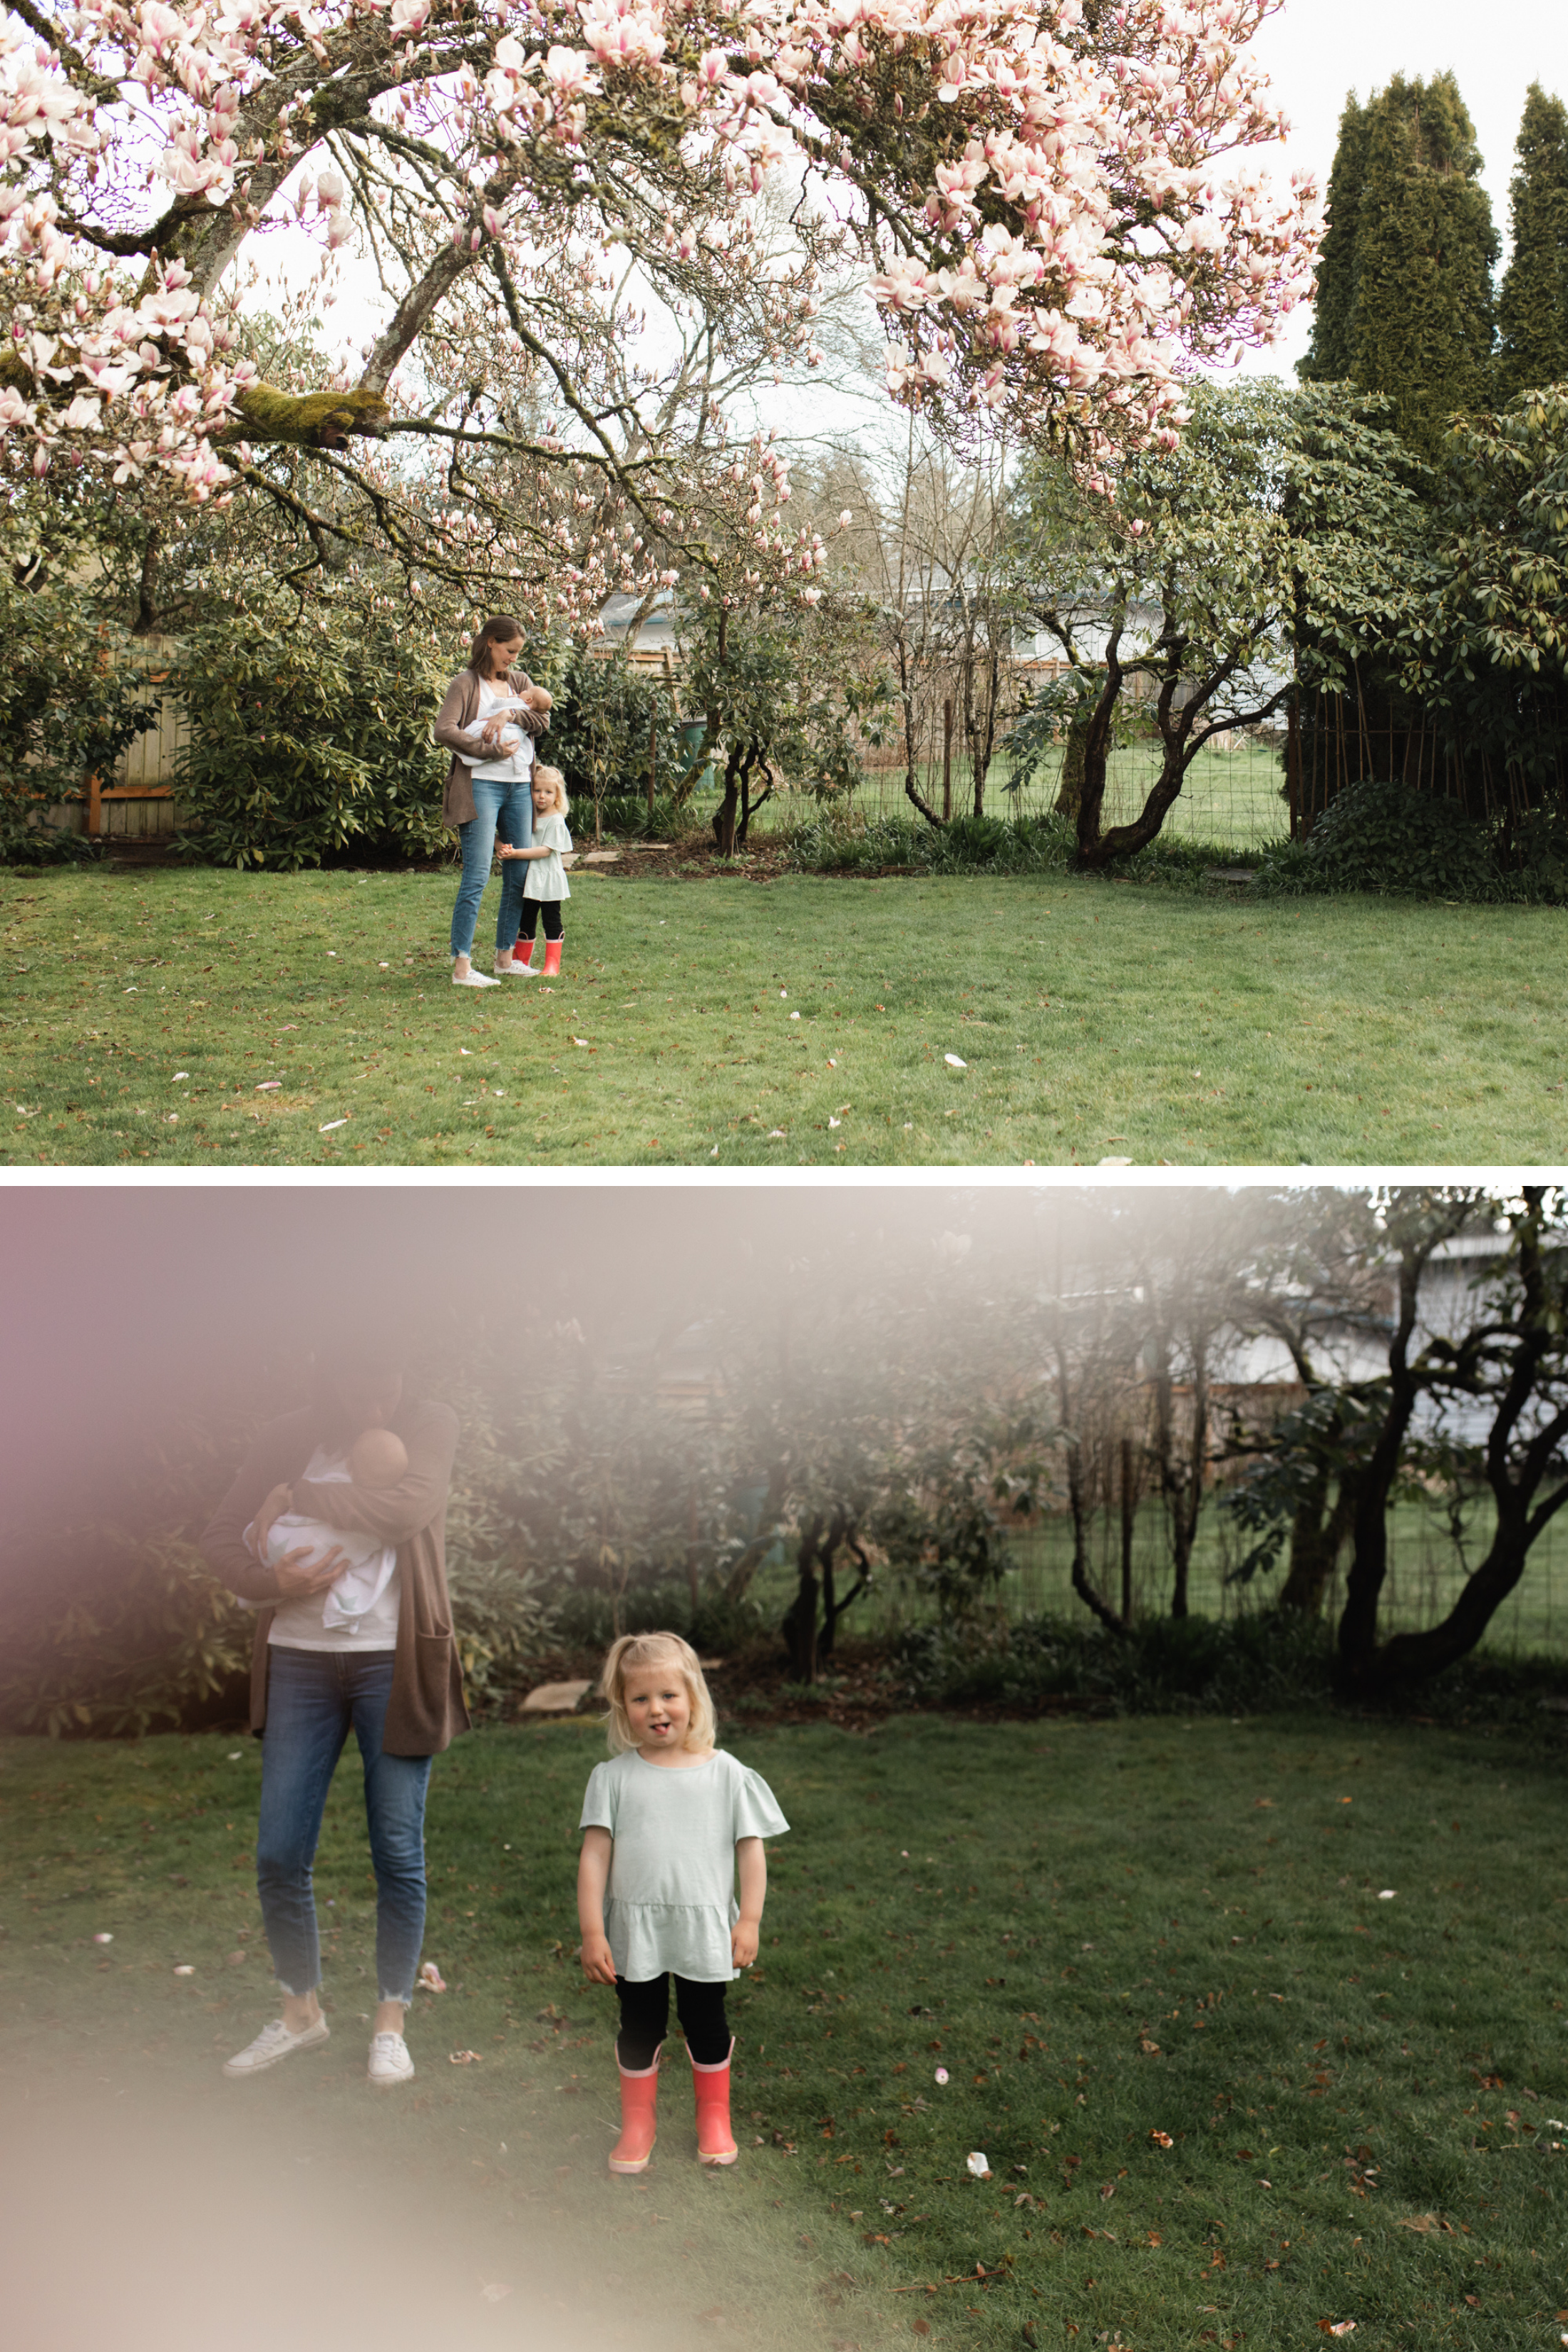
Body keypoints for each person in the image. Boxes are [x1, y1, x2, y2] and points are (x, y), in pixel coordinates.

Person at [200, 1335, 465, 2088]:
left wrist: (297, 1497)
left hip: (395, 1659)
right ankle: (300, 2015)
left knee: (397, 1850)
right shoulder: (286, 1437)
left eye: (389, 1387)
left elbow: (410, 1508)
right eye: (361, 1391)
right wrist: (270, 1578)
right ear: (332, 1381)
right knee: (280, 1853)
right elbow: (219, 1537)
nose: (377, 1406)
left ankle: (390, 2021)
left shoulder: (429, 1425)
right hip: (300, 1664)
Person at [576, 1632, 788, 2174]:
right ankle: (638, 2124)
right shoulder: (613, 1778)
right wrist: (593, 1933)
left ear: (693, 1697)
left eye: (669, 1695)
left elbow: (752, 1851)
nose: (657, 1709)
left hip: (703, 1929)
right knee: (639, 2025)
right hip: (635, 1930)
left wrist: (750, 1919)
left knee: (706, 2021)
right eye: (641, 1698)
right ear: (624, 1707)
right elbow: (595, 1858)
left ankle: (714, 2117)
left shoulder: (726, 1774)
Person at [432, 616, 550, 989]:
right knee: (478, 874)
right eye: (510, 651)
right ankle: (462, 967)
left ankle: (504, 959)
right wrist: (488, 750)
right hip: (480, 786)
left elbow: (542, 721)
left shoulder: (519, 684)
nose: (514, 659)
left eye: (517, 653)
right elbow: (444, 730)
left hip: (519, 788)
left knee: (518, 873)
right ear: (490, 644)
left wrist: (509, 713)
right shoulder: (465, 684)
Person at [497, 763, 572, 979]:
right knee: (526, 919)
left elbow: (545, 851)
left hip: (548, 879)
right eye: (537, 790)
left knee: (551, 920)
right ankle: (521, 960)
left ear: (557, 795)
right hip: (530, 879)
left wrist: (515, 854)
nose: (541, 797)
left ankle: (552, 964)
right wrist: (501, 846)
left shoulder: (556, 820)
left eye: (548, 792)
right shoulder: (527, 816)